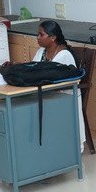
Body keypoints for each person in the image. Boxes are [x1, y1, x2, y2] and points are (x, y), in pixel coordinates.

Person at [32, 20, 85, 152]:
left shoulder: (64, 55)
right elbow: (33, 70)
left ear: (53, 37)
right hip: (47, 94)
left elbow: (49, 79)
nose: (38, 38)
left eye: (41, 35)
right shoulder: (41, 52)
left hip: (63, 99)